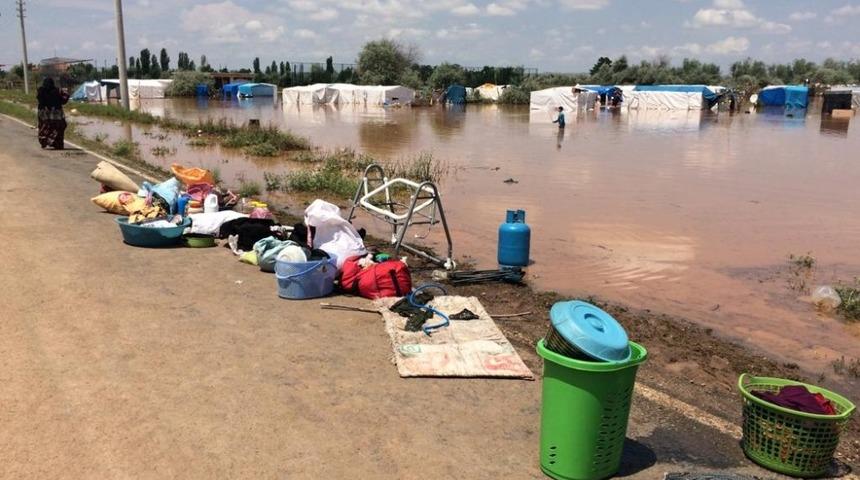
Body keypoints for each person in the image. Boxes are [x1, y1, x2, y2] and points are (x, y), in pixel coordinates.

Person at [36, 78, 69, 149]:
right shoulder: (57, 91)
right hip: (56, 113)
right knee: (58, 128)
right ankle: (57, 144)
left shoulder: (41, 90)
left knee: (44, 127)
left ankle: (44, 141)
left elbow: (39, 99)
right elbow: (64, 100)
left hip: (44, 112)